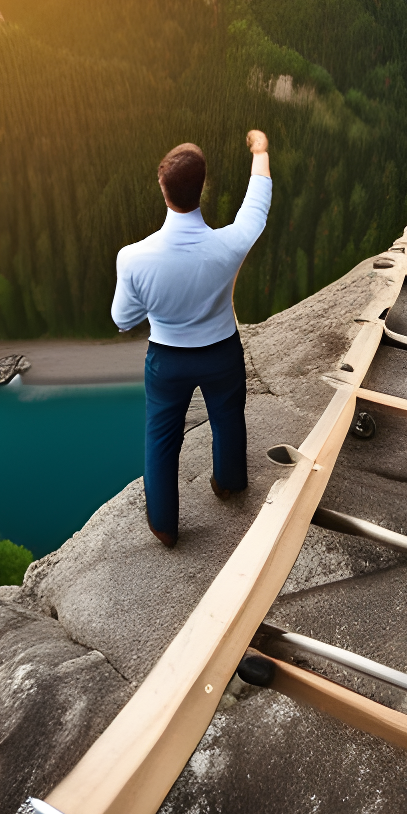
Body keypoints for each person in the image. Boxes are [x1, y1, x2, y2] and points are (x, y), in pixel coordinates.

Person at [111, 130, 272, 548]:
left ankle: (165, 526)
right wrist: (260, 152)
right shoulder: (228, 244)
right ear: (204, 186)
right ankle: (229, 484)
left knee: (161, 438)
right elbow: (256, 207)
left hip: (167, 360)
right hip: (221, 353)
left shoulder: (133, 257)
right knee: (228, 417)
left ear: (162, 189)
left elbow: (122, 320)